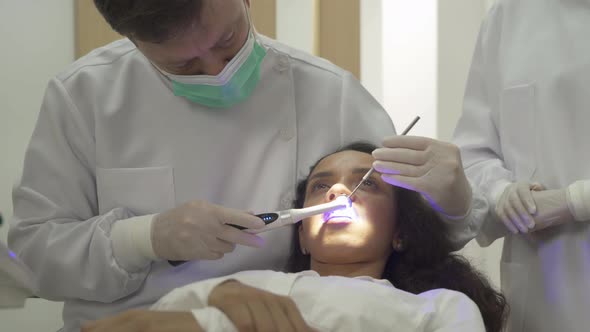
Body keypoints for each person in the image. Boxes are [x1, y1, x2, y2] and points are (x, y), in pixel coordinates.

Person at [9, 0, 484, 330]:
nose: (217, 69)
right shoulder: (84, 96)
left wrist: (456, 202)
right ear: (133, 41)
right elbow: (34, 255)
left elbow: (417, 223)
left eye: (228, 40)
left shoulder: (330, 96)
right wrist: (145, 237)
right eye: (187, 67)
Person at [82, 143, 507, 332]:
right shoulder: (240, 287)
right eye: (322, 186)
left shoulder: (438, 309)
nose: (339, 192)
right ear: (302, 235)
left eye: (367, 186)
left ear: (399, 234)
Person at [452, 0, 590, 331]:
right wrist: (499, 193)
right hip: (543, 293)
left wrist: (576, 200)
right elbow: (473, 153)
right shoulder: (507, 17)